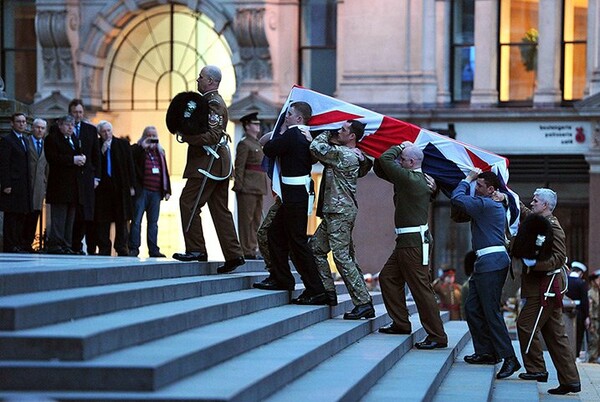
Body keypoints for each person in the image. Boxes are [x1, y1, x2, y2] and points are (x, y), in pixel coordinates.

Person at [505, 188, 581, 395]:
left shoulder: (553, 228)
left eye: (536, 201)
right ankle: (571, 380)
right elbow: (523, 210)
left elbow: (558, 258)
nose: (532, 203)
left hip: (545, 288)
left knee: (525, 325)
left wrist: (534, 263)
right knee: (555, 335)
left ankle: (537, 369)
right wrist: (507, 194)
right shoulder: (539, 221)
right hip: (541, 287)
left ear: (546, 205)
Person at [374, 142, 448, 350]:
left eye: (403, 159)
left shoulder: (411, 179)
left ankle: (437, 335)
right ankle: (400, 322)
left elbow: (386, 160)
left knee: (421, 289)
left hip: (413, 243)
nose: (399, 161)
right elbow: (381, 167)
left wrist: (398, 145)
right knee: (388, 277)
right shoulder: (410, 178)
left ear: (412, 162)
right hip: (406, 242)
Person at [173, 65, 245, 274]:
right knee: (220, 209)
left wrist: (186, 137)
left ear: (211, 81)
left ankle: (196, 249)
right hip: (216, 164)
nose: (198, 80)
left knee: (188, 202)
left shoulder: (212, 102)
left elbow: (213, 136)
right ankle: (234, 254)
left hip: (207, 164)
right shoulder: (207, 102)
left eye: (201, 77)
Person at [254, 101, 328, 305]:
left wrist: (282, 129)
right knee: (275, 234)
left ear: (298, 118)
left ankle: (315, 289)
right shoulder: (303, 136)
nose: (285, 116)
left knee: (297, 243)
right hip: (295, 195)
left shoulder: (294, 134)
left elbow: (268, 148)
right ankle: (282, 278)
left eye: (289, 113)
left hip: (294, 196)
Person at [450, 168, 520, 378]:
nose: (475, 188)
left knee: (490, 311)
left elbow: (457, 198)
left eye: (479, 186)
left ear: (491, 189)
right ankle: (486, 352)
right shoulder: (489, 203)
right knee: (472, 307)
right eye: (475, 184)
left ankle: (510, 358)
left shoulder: (486, 204)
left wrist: (467, 178)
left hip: (491, 261)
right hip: (486, 261)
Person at [309, 120, 374, 318]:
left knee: (342, 257)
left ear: (352, 136)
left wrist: (326, 131)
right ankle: (328, 291)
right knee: (317, 248)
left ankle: (363, 302)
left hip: (339, 212)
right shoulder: (350, 154)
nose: (339, 131)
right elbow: (364, 166)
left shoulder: (344, 154)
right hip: (335, 211)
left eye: (343, 130)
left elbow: (316, 148)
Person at [128, 126, 172, 258]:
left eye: (154, 135)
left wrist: (167, 190)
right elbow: (131, 157)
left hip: (156, 192)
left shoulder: (160, 152)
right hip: (142, 191)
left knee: (153, 223)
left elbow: (165, 171)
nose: (152, 138)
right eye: (149, 135)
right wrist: (142, 146)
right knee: (136, 221)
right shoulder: (138, 149)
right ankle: (134, 248)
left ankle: (153, 249)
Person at [44, 114, 84, 254]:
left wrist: (81, 159)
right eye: (67, 125)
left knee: (70, 217)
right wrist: (73, 160)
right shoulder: (52, 139)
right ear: (60, 125)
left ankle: (67, 244)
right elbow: (53, 158)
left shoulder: (74, 139)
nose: (70, 128)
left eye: (72, 125)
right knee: (59, 217)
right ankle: (56, 244)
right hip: (59, 185)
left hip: (73, 185)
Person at [94, 120, 135, 256]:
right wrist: (102, 152)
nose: (106, 134)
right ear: (100, 133)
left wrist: (132, 185)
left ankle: (121, 247)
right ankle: (104, 247)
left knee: (121, 219)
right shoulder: (98, 145)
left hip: (120, 188)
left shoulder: (122, 144)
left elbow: (130, 165)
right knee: (103, 220)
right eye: (103, 132)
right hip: (103, 189)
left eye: (108, 131)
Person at [232, 112, 269, 260]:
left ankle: (252, 248)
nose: (257, 126)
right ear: (247, 126)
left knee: (255, 220)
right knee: (246, 220)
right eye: (254, 124)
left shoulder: (257, 143)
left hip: (258, 186)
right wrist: (239, 185)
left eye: (258, 124)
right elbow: (239, 166)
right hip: (247, 186)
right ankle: (246, 249)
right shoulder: (244, 143)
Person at [67, 99, 101, 255]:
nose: (78, 115)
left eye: (80, 112)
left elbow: (96, 156)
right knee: (72, 213)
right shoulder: (63, 128)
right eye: (75, 112)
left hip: (87, 178)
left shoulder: (90, 130)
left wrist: (96, 178)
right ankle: (72, 244)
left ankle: (81, 245)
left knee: (85, 213)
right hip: (71, 178)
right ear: (70, 112)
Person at [0, 112, 32, 252]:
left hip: (23, 185)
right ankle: (10, 244)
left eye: (24, 121)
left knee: (21, 215)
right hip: (12, 185)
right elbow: (4, 163)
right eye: (18, 121)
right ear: (12, 123)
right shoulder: (7, 140)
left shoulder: (25, 140)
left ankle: (18, 243)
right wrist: (6, 184)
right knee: (11, 216)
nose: (22, 124)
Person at [24, 118, 49, 251]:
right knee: (24, 215)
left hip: (40, 186)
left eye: (42, 128)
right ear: (32, 128)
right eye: (38, 127)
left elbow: (47, 167)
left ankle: (28, 243)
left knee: (35, 215)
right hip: (27, 184)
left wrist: (46, 183)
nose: (40, 130)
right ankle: (21, 242)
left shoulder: (46, 145)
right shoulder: (26, 142)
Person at [566, 261, 590, 361]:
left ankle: (566, 354)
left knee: (566, 333)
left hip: (565, 311)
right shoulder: (581, 283)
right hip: (579, 312)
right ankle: (575, 355)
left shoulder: (565, 281)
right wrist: (587, 316)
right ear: (580, 273)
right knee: (578, 334)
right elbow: (585, 301)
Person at [588, 269, 600, 364]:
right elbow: (590, 308)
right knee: (594, 339)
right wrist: (590, 321)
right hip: (595, 319)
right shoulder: (591, 292)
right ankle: (593, 358)